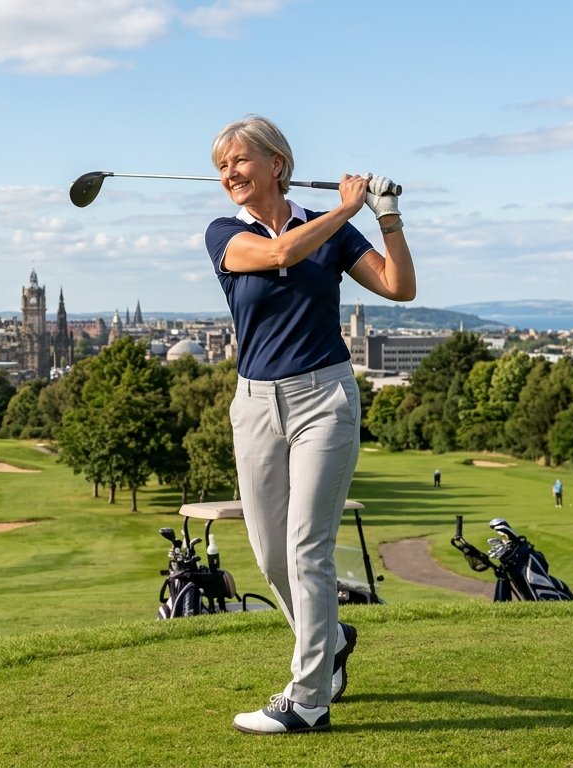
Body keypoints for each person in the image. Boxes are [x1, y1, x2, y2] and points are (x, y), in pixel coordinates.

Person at [205, 115, 415, 735]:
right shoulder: (225, 232)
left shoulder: (330, 232)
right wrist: (347, 208)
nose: (229, 175)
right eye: (221, 166)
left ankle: (307, 699)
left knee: (306, 548)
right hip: (255, 404)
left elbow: (399, 287)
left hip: (324, 397)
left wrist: (387, 216)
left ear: (277, 164)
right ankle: (332, 642)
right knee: (271, 555)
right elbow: (275, 254)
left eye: (239, 161)